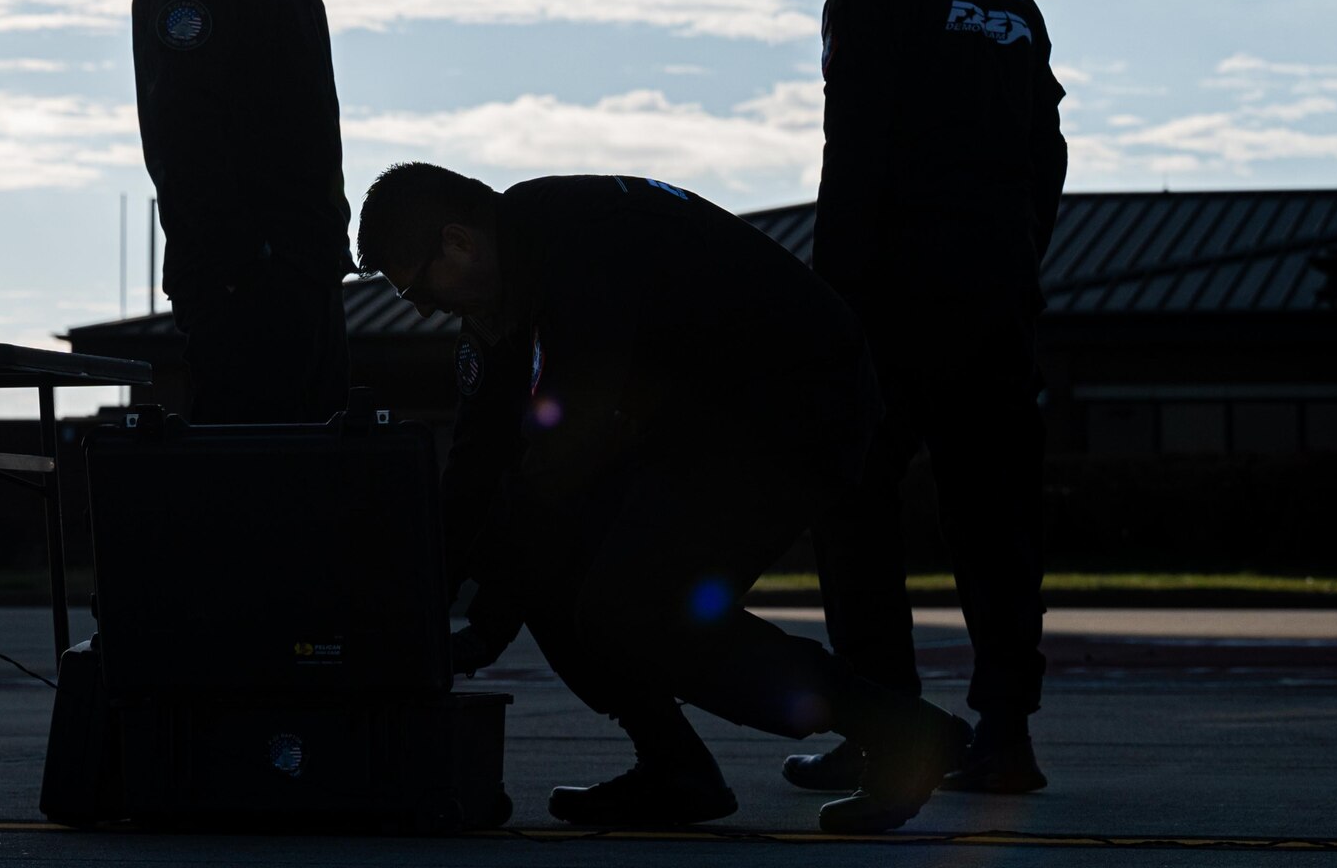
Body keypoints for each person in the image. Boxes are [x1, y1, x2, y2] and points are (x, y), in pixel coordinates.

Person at [358, 162, 974, 835]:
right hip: (700, 421)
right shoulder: (505, 290)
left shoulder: (582, 247)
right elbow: (479, 468)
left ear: (459, 243)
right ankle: (674, 769)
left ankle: (902, 734)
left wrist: (485, 625)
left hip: (792, 407)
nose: (419, 308)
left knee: (640, 608)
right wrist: (418, 612)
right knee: (559, 577)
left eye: (417, 287)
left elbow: (567, 454)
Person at [788, 0, 1067, 797]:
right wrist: (1011, 256)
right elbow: (1047, 154)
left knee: (851, 505)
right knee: (994, 517)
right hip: (993, 301)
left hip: (892, 300)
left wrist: (834, 307)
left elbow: (850, 153)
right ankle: (1002, 734)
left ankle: (885, 729)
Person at [131, 0, 350, 424]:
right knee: (254, 479)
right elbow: (185, 134)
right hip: (249, 289)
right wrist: (245, 264)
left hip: (301, 276)